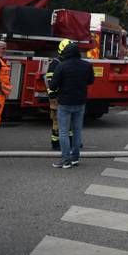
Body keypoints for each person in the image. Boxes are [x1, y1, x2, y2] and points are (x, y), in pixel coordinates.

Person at [49, 40, 95, 168]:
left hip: (65, 102)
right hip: (80, 102)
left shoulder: (61, 66)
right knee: (77, 131)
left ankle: (66, 160)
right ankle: (75, 158)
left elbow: (53, 85)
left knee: (63, 132)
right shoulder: (87, 65)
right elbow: (90, 81)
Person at [44, 39, 69, 150]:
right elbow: (50, 81)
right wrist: (53, 96)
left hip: (65, 96)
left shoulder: (65, 62)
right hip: (56, 97)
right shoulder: (55, 63)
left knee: (68, 120)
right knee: (57, 121)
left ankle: (69, 141)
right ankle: (55, 142)